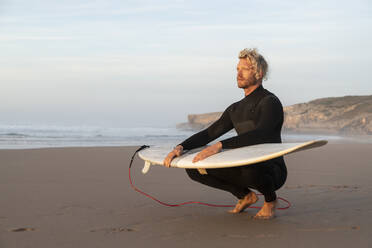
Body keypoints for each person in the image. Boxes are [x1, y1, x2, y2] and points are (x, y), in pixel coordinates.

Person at [163, 48, 287, 219]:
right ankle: (245, 195)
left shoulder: (270, 102)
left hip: (271, 171)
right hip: (244, 164)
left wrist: (220, 146)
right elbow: (209, 133)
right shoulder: (235, 108)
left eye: (245, 68)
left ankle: (270, 201)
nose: (239, 73)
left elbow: (262, 134)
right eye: (237, 69)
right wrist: (181, 147)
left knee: (251, 167)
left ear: (259, 73)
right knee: (194, 167)